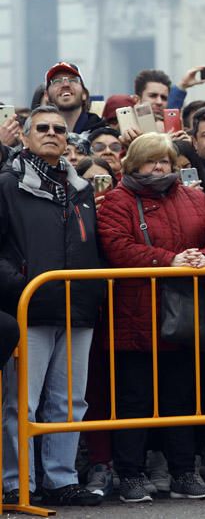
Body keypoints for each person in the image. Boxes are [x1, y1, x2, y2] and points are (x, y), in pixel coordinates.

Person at [96, 132, 205, 503]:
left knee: (180, 398)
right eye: (151, 161)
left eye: (165, 161)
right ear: (134, 165)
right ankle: (131, 475)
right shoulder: (117, 199)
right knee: (133, 400)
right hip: (133, 315)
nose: (159, 168)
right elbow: (116, 245)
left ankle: (184, 472)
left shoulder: (194, 196)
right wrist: (168, 260)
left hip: (184, 316)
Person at [0, 106, 104, 506]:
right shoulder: (7, 184)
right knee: (19, 401)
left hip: (78, 306)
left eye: (59, 129)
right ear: (24, 136)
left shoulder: (81, 187)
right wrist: (19, 285)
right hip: (28, 305)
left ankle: (61, 479)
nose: (51, 133)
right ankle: (15, 481)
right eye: (41, 127)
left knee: (70, 401)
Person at [45, 62, 104, 133]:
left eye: (73, 80)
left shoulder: (101, 133)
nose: (65, 84)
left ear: (84, 94)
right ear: (46, 96)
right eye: (57, 81)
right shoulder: (39, 134)